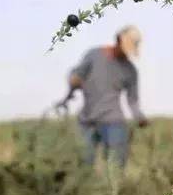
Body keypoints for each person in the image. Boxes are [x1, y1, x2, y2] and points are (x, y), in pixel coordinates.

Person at [63, 25, 148, 168]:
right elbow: (76, 74)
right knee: (83, 165)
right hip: (87, 120)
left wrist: (139, 117)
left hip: (113, 122)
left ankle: (114, 189)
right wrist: (74, 81)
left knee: (116, 166)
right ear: (118, 40)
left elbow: (132, 100)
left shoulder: (130, 70)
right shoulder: (94, 55)